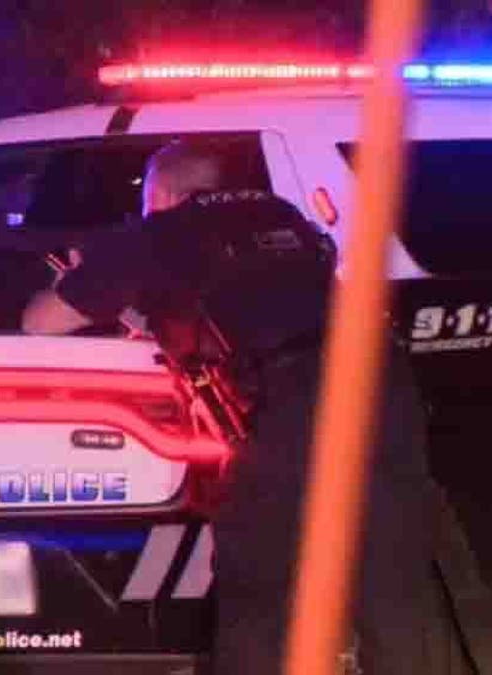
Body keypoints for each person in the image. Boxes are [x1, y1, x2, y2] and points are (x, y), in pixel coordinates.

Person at [22, 140, 442, 674]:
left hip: (291, 407)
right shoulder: (281, 216)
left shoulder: (159, 233)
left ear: (165, 192)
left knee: (260, 594)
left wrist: (69, 283)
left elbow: (41, 321)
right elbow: (251, 299)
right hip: (387, 392)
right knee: (393, 588)